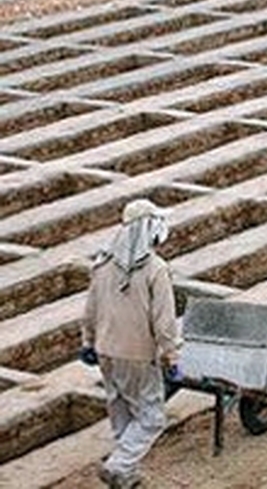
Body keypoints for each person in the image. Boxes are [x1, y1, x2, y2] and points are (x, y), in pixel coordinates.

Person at [80, 199, 183, 489]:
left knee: (121, 409)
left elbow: (90, 309)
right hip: (137, 353)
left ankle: (127, 474)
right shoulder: (155, 269)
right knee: (151, 418)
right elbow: (164, 322)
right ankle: (118, 465)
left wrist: (88, 340)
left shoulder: (102, 264)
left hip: (105, 350)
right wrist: (171, 357)